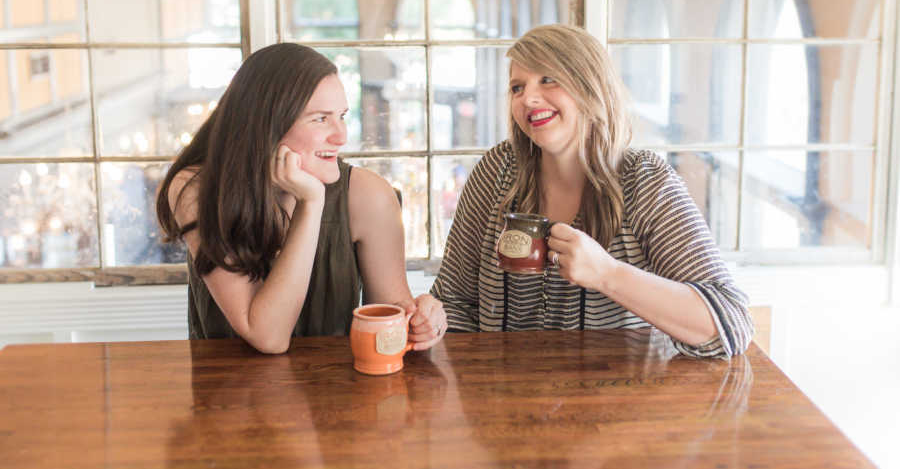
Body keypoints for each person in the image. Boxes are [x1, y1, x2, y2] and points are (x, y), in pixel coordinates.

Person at [430, 25, 752, 358]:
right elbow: (454, 301)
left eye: (548, 79)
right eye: (517, 87)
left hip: (617, 400)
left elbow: (731, 323)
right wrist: (433, 318)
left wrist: (608, 274)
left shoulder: (644, 181)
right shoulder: (496, 171)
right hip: (504, 401)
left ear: (589, 87)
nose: (528, 97)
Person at [157, 43, 447, 354]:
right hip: (228, 396)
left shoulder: (369, 196)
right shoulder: (195, 189)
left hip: (336, 392)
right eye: (320, 119)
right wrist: (311, 204)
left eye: (342, 116)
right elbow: (267, 336)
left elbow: (391, 322)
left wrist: (423, 319)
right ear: (267, 125)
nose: (341, 136)